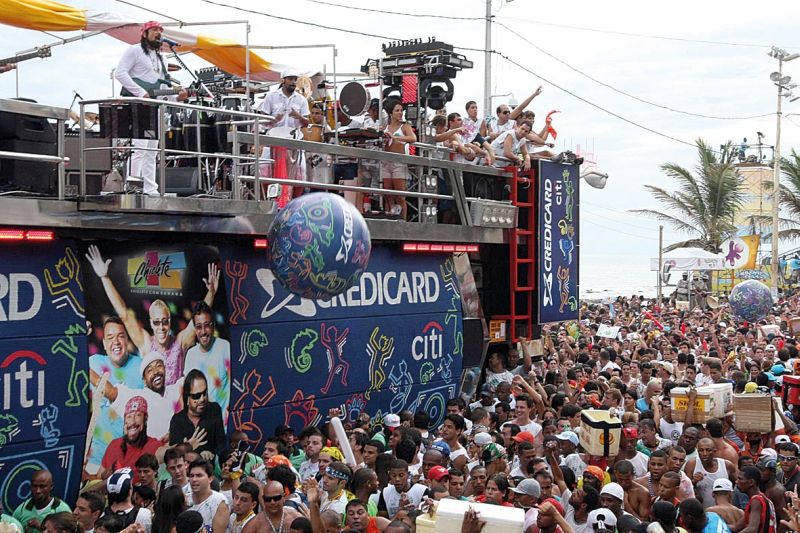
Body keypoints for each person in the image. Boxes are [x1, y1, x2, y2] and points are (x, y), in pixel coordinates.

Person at [84, 245, 220, 386]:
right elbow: (124, 314)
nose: (161, 327)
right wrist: (104, 277)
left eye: (164, 322)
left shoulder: (180, 342)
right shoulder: (146, 343)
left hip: (177, 404)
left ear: (169, 321)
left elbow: (199, 319)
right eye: (156, 322)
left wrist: (211, 293)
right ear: (151, 323)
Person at [114, 21, 188, 195]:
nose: (158, 33)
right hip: (138, 104)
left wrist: (178, 97)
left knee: (152, 150)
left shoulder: (163, 57)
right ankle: (132, 186)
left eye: (160, 30)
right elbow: (120, 73)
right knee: (139, 147)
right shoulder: (134, 50)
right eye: (155, 30)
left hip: (154, 106)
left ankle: (150, 188)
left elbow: (163, 86)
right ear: (144, 33)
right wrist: (141, 93)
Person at [183, 302, 231, 424]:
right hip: (199, 426)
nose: (203, 331)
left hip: (222, 424)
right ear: (195, 329)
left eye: (207, 325)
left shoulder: (225, 347)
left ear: (213, 325)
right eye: (199, 327)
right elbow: (186, 393)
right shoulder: (191, 355)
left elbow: (234, 382)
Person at [101, 397, 166, 477]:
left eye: (138, 415)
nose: (132, 422)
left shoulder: (152, 445)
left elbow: (167, 453)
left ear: (145, 419)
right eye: (129, 416)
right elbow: (99, 475)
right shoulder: (113, 445)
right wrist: (105, 476)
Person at [168, 370, 226, 459]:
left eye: (204, 393)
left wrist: (213, 455)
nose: (202, 399)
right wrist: (189, 448)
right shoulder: (177, 421)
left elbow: (221, 447)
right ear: (187, 398)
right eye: (196, 396)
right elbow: (173, 458)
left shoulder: (214, 410)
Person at [381, 101, 416, 220]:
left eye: (401, 110)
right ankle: (389, 220)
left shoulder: (405, 126)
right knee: (388, 195)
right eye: (397, 110)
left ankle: (403, 223)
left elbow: (413, 138)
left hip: (398, 162)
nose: (400, 113)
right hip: (385, 162)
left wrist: (395, 137)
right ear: (391, 113)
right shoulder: (384, 126)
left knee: (400, 196)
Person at [684, 438, 737, 510]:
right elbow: (685, 490)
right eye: (701, 450)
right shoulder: (692, 465)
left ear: (714, 451)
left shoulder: (726, 465)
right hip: (701, 513)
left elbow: (738, 485)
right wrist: (694, 481)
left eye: (708, 450)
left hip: (723, 512)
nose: (704, 454)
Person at [187, 460, 229, 533]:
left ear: (210, 478)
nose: (194, 479)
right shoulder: (185, 499)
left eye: (199, 475)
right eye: (191, 476)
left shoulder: (219, 502)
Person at [732, 466, 776, 533]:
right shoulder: (761, 498)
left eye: (740, 479)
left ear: (751, 482)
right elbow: (736, 527)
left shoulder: (756, 501)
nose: (736, 481)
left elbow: (752, 529)